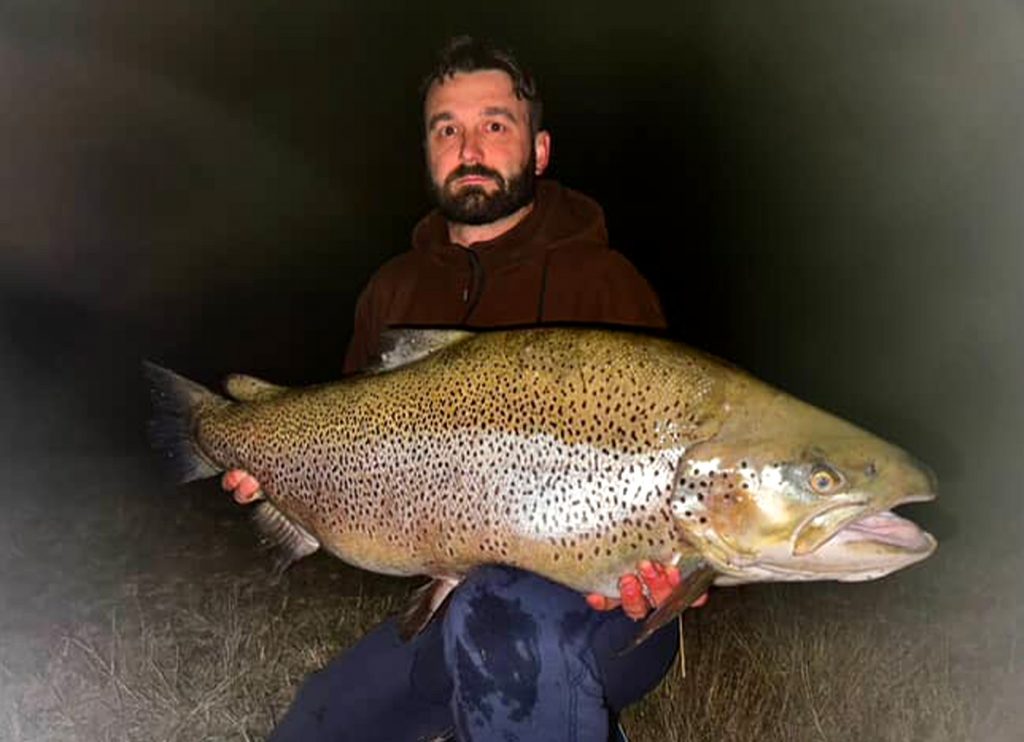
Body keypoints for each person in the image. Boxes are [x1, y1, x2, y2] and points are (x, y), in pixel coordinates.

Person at [223, 37, 706, 741]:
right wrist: (276, 467)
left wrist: (674, 569)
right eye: (446, 128)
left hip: (601, 615)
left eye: (495, 124)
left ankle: (555, 709)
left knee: (507, 618)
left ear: (538, 151)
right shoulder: (391, 290)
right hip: (446, 605)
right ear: (427, 151)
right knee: (317, 721)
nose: (468, 145)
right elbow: (354, 452)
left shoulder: (605, 284)